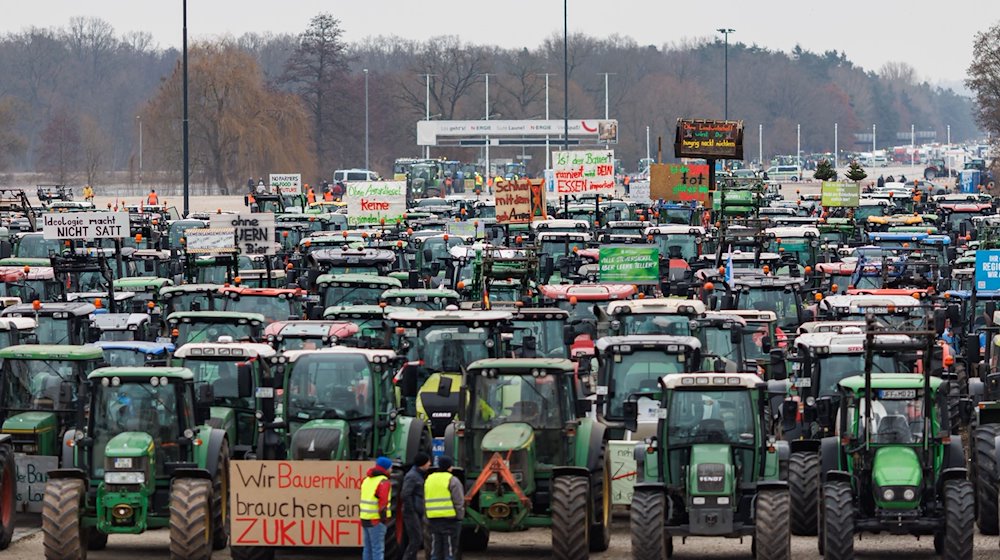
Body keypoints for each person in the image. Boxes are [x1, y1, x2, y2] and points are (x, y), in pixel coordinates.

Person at [424, 456, 464, 560]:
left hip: (432, 519)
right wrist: (460, 517)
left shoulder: (429, 479)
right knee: (449, 550)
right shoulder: (452, 480)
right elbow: (458, 501)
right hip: (449, 520)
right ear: (449, 467)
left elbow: (424, 498)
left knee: (435, 550)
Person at [360, 456, 394, 560]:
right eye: (390, 467)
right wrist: (384, 520)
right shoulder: (384, 482)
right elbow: (383, 504)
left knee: (368, 548)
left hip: (365, 518)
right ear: (385, 468)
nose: (392, 470)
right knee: (378, 549)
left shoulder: (366, 480)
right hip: (377, 520)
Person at [401, 453, 431, 560]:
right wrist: (411, 510)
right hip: (411, 513)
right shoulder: (412, 476)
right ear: (422, 464)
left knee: (416, 539)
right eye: (428, 462)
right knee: (416, 539)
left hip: (416, 512)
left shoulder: (418, 475)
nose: (430, 464)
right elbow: (405, 494)